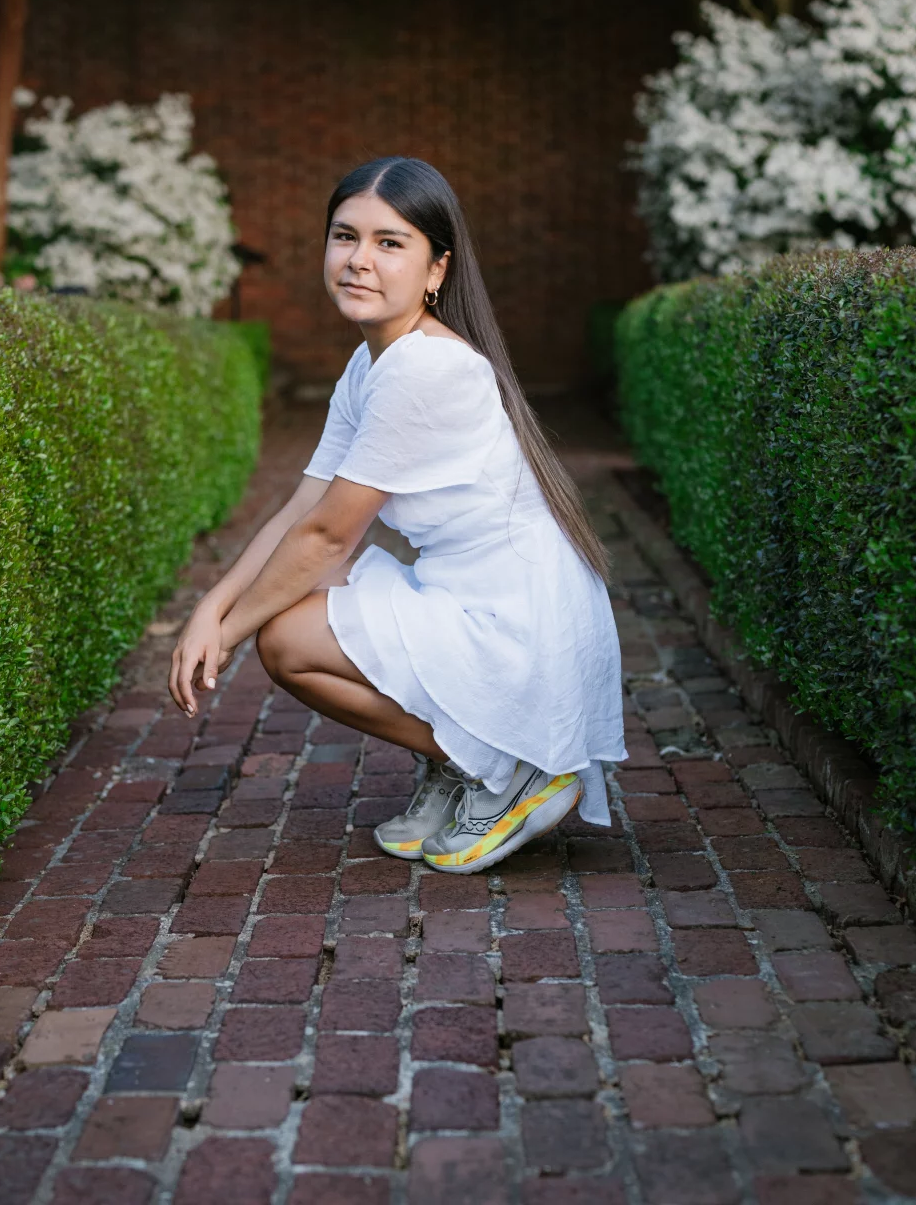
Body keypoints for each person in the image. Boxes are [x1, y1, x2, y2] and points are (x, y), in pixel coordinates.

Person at [168, 156, 625, 874]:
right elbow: (303, 506)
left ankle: (510, 765)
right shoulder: (375, 361)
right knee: (288, 620)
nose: (358, 260)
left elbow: (328, 539)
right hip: (470, 597)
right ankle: (470, 760)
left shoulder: (426, 368)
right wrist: (211, 607)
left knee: (286, 639)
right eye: (344, 236)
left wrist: (225, 636)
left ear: (436, 269)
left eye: (389, 242)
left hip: (518, 626)